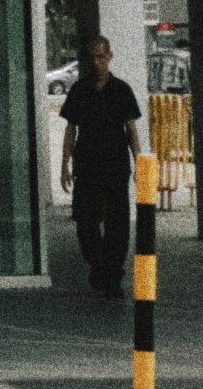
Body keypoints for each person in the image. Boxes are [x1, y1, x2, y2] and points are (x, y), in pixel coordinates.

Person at [59, 31, 142, 304]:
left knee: (118, 223)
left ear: (110, 56)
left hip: (116, 164)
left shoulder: (121, 90)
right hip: (87, 165)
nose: (98, 63)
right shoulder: (80, 90)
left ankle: (112, 276)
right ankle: (98, 265)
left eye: (102, 57)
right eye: (93, 58)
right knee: (86, 221)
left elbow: (131, 129)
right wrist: (65, 164)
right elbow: (71, 129)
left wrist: (139, 162)